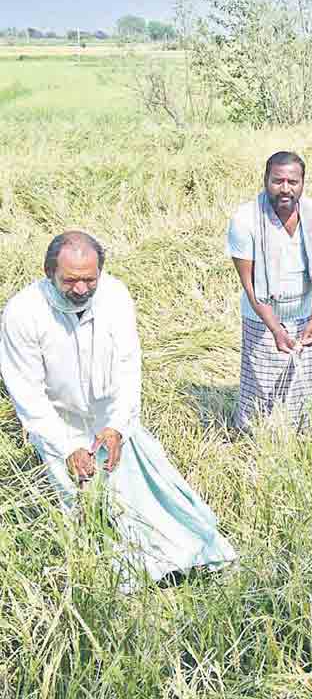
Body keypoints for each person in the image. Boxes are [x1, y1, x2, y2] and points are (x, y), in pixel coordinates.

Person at [0, 232, 238, 591]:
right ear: (49, 271)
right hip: (58, 423)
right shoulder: (23, 312)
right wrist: (66, 447)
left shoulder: (115, 296)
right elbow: (27, 392)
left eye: (89, 279)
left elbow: (129, 367)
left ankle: (182, 563)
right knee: (83, 507)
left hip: (112, 417)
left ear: (101, 272)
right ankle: (115, 584)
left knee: (149, 496)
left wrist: (118, 427)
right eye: (70, 280)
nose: (80, 289)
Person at [227, 151, 312, 431]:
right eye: (278, 181)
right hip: (262, 317)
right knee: (262, 385)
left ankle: (308, 431)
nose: (286, 189)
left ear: (303, 183)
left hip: (305, 313)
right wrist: (276, 329)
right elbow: (251, 286)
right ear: (266, 180)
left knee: (306, 383)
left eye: (293, 181)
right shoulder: (245, 220)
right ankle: (260, 436)